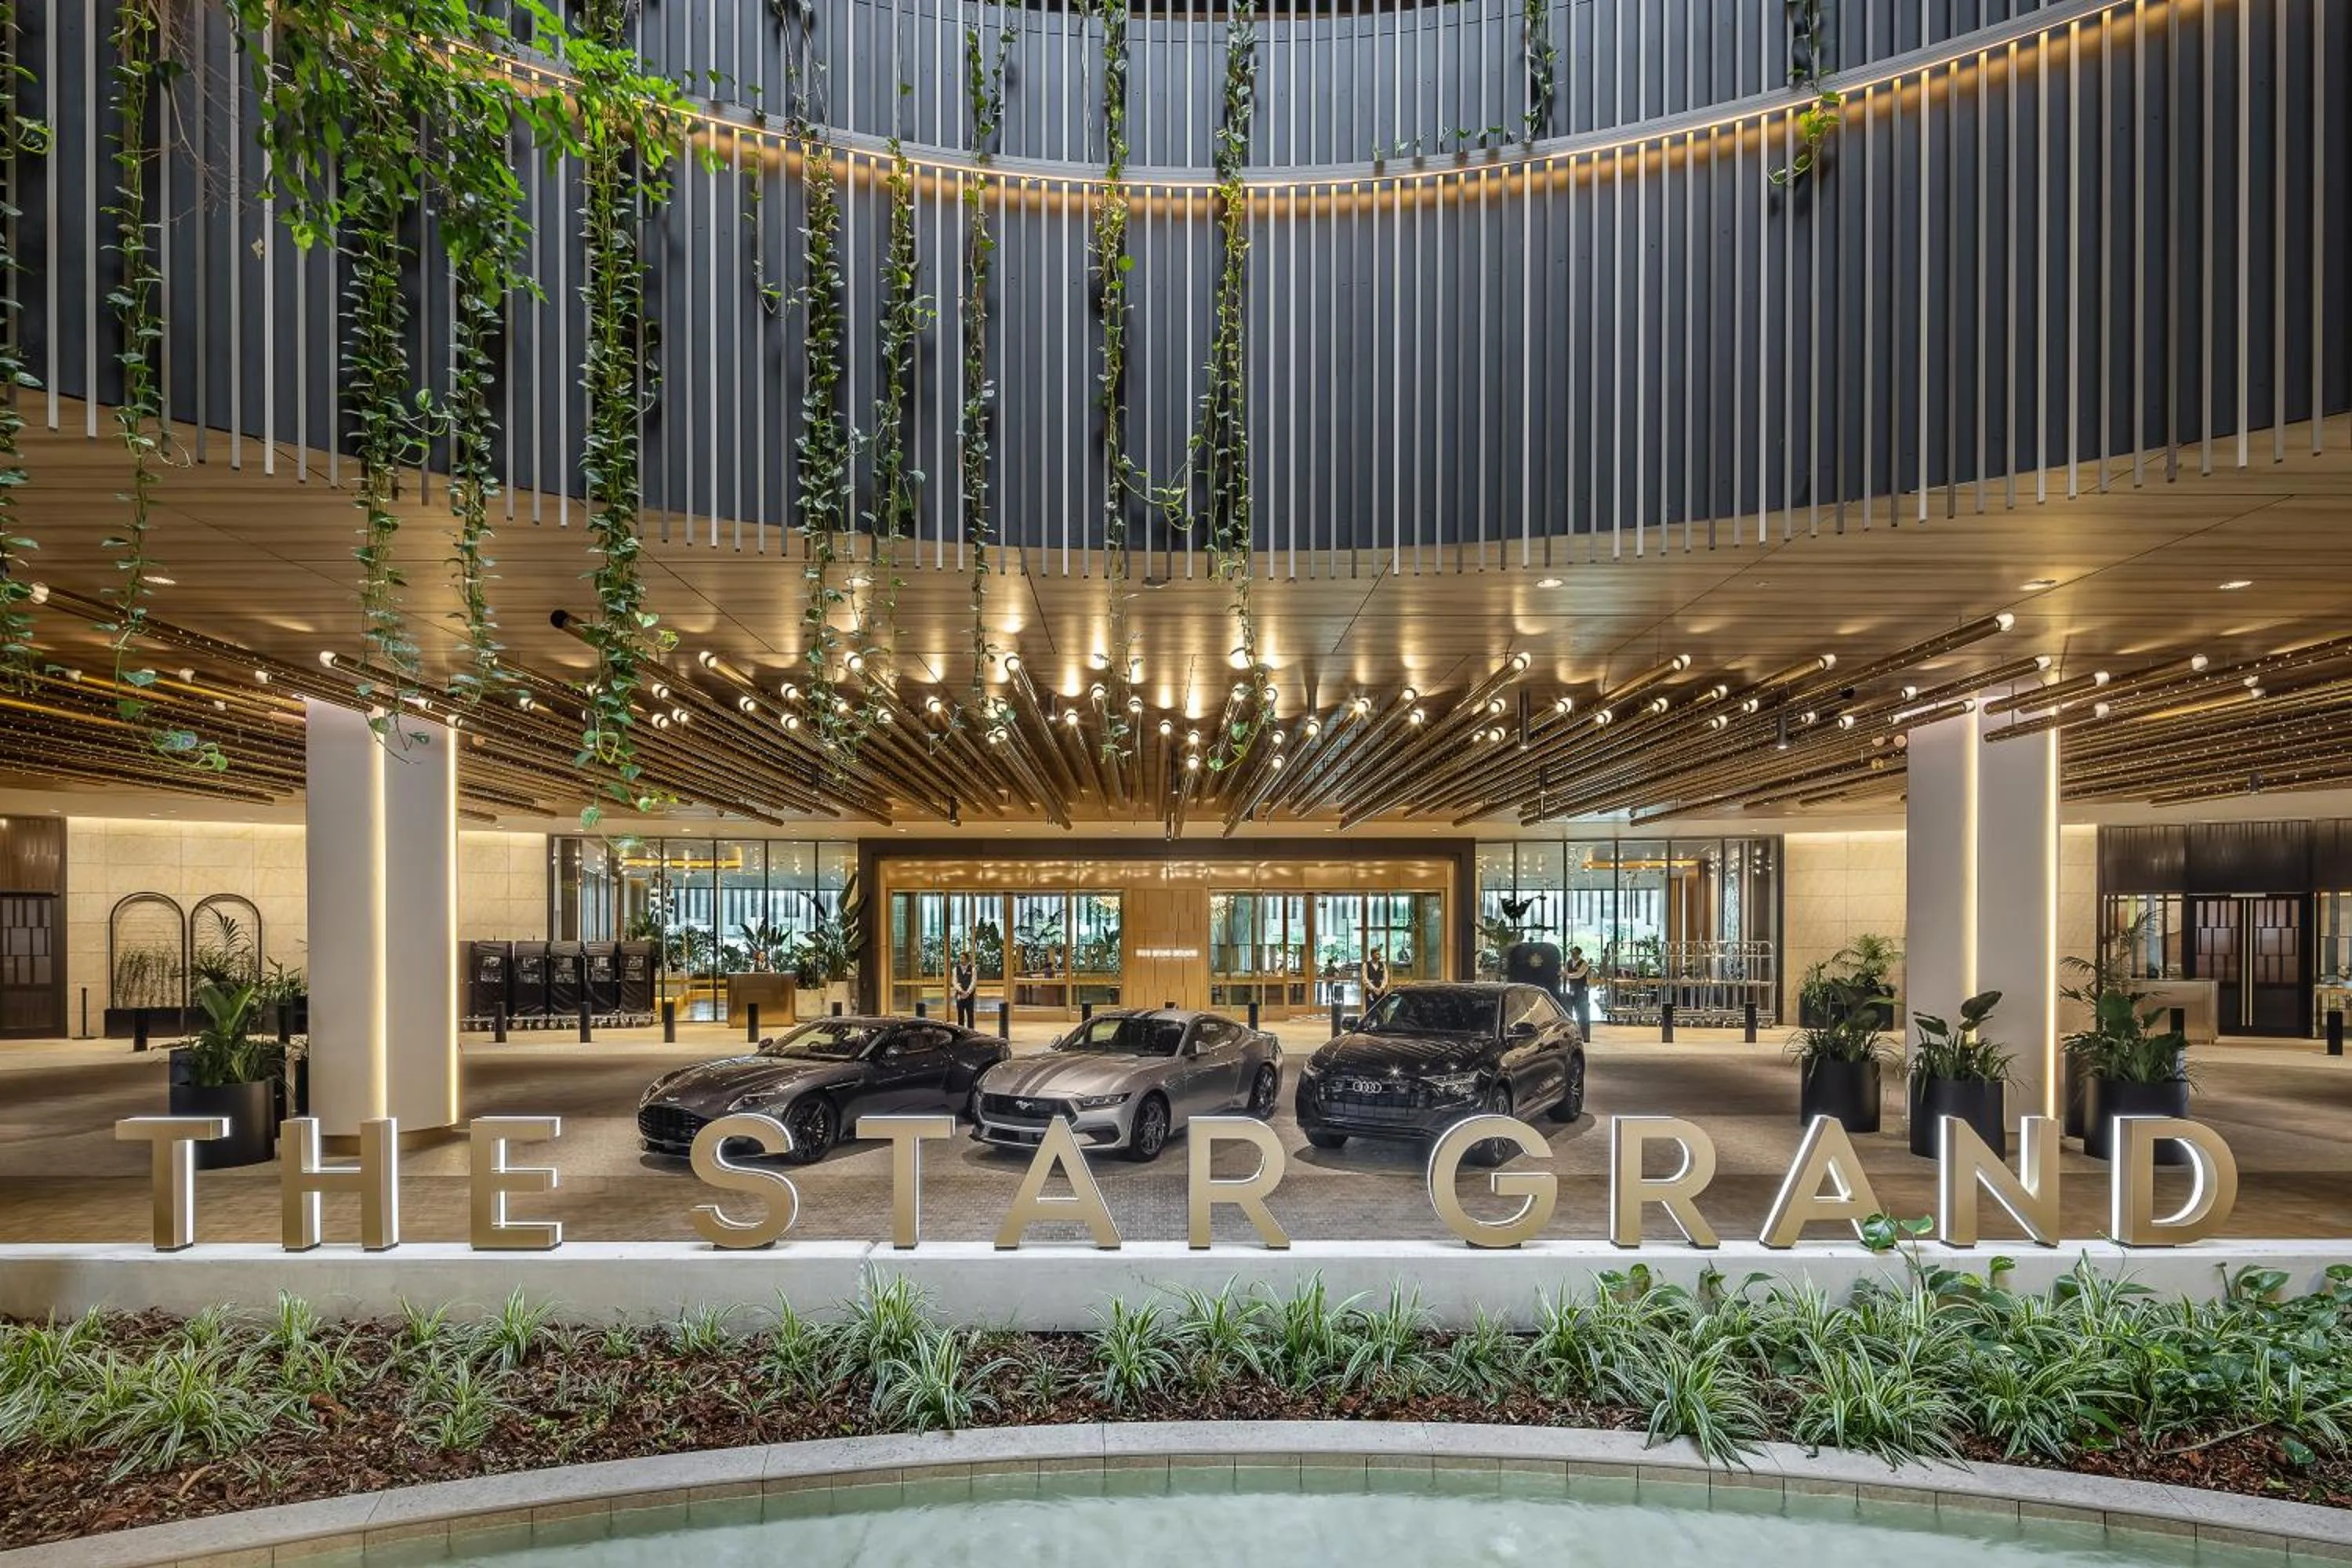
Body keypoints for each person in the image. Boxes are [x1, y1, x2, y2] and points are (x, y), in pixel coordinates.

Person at [1563, 946, 1592, 1040]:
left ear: (1579, 954)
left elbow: (1579, 975)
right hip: (1572, 989)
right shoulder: (1568, 963)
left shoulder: (1584, 963)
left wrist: (1567, 975)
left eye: (1574, 953)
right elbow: (1564, 972)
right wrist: (1565, 975)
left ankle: (1585, 1036)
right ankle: (1571, 1035)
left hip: (1581, 990)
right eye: (1572, 953)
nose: (1572, 955)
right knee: (1569, 1012)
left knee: (1583, 1013)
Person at [950, 946, 978, 1030]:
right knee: (960, 1016)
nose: (961, 960)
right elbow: (954, 982)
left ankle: (971, 1033)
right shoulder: (955, 969)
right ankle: (961, 1033)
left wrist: (968, 993)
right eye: (960, 958)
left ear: (967, 959)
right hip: (960, 996)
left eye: (962, 958)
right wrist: (961, 991)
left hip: (970, 996)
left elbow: (973, 982)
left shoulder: (973, 969)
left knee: (970, 1016)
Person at [1359, 947, 1392, 1012]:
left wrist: (1382, 988)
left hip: (1381, 992)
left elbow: (1385, 978)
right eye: (1377, 954)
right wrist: (1374, 989)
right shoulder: (1366, 965)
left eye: (1379, 954)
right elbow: (1365, 979)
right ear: (1372, 955)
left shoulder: (1383, 965)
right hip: (1370, 992)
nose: (1379, 955)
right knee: (1370, 1011)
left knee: (1381, 1011)